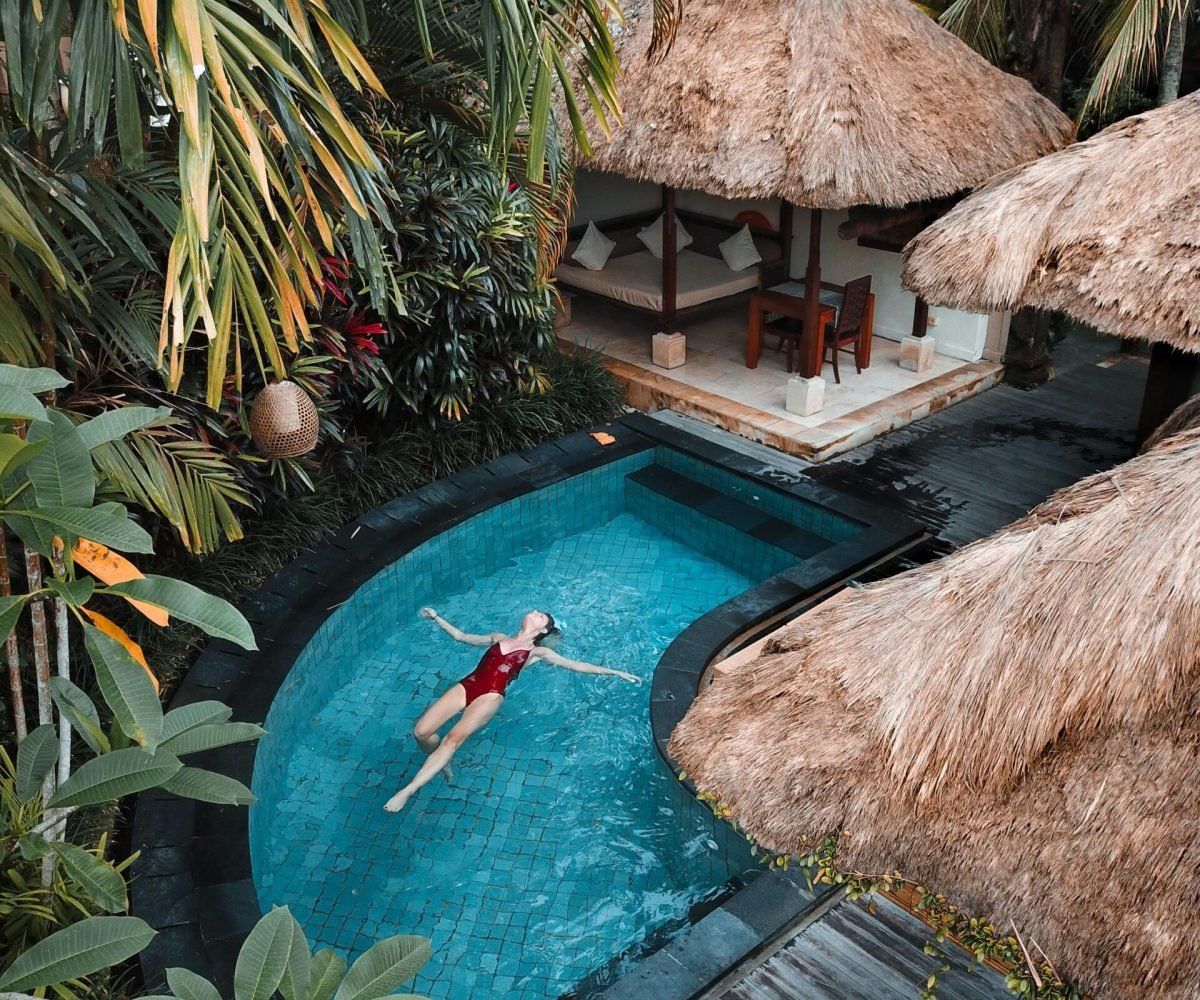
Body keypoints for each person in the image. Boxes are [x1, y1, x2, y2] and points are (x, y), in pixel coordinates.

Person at [384, 607, 641, 812]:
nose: (536, 611)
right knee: (421, 732)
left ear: (543, 628)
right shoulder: (498, 637)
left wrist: (615, 671)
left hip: (490, 696)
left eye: (542, 615)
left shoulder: (537, 652)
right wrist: (437, 617)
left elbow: (576, 665)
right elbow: (462, 637)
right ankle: (442, 763)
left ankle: (408, 790)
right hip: (468, 684)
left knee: (451, 739)